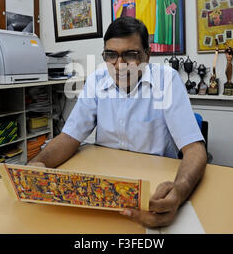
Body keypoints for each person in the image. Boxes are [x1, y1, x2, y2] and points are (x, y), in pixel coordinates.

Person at [29, 16, 206, 228]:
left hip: (153, 184)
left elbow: (194, 148)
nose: (120, 65)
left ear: (147, 55)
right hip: (105, 185)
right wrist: (39, 163)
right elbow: (70, 136)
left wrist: (179, 191)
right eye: (111, 55)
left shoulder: (166, 80)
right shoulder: (97, 80)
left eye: (131, 55)